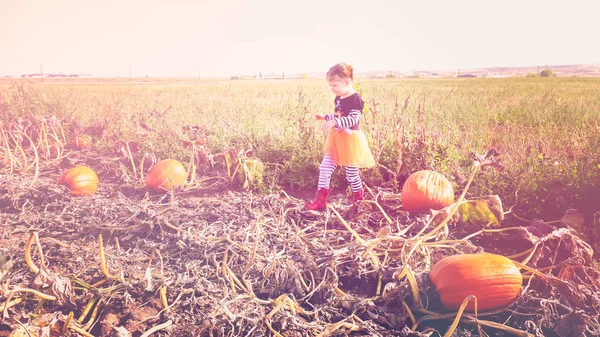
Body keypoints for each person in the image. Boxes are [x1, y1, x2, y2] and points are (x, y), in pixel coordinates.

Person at [305, 63, 376, 211]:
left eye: (335, 85)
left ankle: (358, 200)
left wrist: (335, 122)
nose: (332, 89)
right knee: (325, 168)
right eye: (330, 86)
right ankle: (320, 202)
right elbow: (339, 115)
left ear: (347, 82)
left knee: (351, 174)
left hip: (350, 141)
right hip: (336, 140)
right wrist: (325, 117)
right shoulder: (339, 98)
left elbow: (352, 119)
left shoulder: (356, 99)